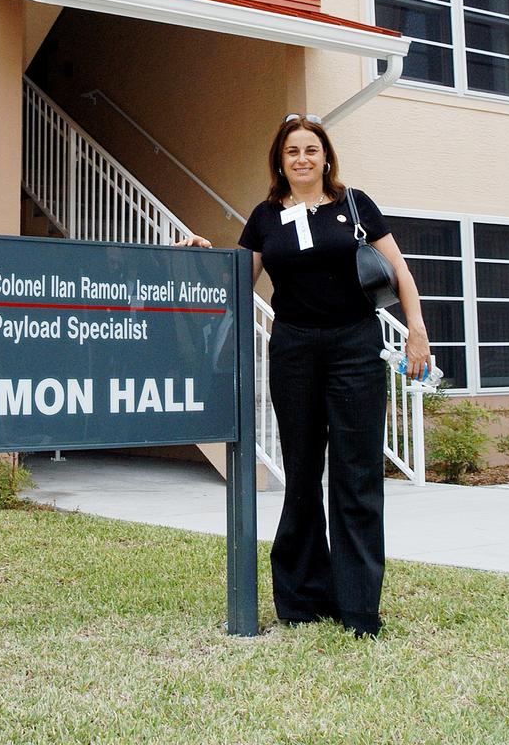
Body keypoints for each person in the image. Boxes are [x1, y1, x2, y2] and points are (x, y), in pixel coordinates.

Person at [180, 113, 431, 639]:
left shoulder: (355, 205)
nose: (302, 158)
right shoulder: (265, 217)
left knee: (357, 474)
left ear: (326, 158)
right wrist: (205, 258)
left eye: (311, 150)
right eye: (292, 151)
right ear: (280, 160)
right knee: (301, 474)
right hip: (293, 350)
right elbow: (236, 281)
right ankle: (301, 599)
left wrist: (417, 331)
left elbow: (399, 271)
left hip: (355, 348)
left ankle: (359, 608)